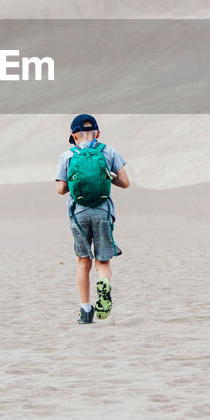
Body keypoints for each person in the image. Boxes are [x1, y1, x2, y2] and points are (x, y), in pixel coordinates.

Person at [56, 113, 129, 324]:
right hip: (103, 211)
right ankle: (104, 282)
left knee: (82, 261)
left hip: (79, 213)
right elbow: (125, 182)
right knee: (102, 260)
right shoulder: (108, 151)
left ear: (73, 135)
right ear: (97, 132)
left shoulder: (67, 156)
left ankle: (85, 310)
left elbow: (61, 189)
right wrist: (108, 176)